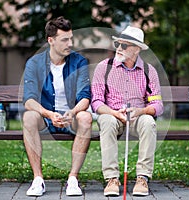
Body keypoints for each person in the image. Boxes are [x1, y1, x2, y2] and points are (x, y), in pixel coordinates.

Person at [22, 16, 92, 197]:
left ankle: (73, 179)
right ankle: (38, 180)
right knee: (29, 116)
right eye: (64, 40)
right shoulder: (34, 63)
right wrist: (49, 114)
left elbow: (85, 98)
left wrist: (73, 112)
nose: (70, 43)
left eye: (71, 39)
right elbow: (29, 99)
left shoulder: (79, 62)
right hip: (46, 118)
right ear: (50, 41)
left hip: (72, 117)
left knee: (85, 117)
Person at [91, 26, 164, 196]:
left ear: (137, 49)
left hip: (137, 117)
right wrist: (114, 113)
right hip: (113, 115)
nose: (118, 48)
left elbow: (158, 105)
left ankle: (143, 178)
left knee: (149, 122)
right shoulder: (104, 67)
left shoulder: (148, 71)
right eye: (118, 44)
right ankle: (111, 179)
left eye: (124, 46)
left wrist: (141, 111)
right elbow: (96, 102)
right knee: (107, 121)